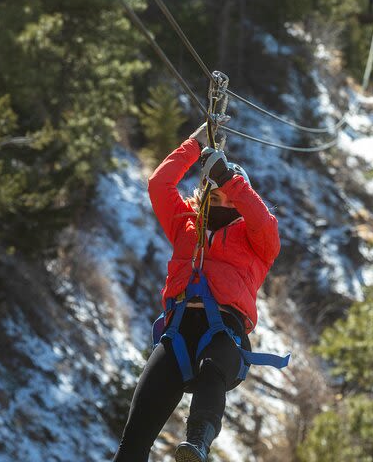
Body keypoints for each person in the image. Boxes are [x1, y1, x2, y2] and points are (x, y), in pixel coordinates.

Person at [112, 120, 281, 462]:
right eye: (212, 196)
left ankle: (198, 443)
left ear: (239, 201)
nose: (218, 202)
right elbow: (160, 184)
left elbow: (262, 220)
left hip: (224, 335)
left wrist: (229, 180)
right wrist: (195, 143)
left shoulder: (256, 240)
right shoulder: (185, 225)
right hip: (177, 333)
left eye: (227, 199)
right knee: (132, 443)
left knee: (212, 366)